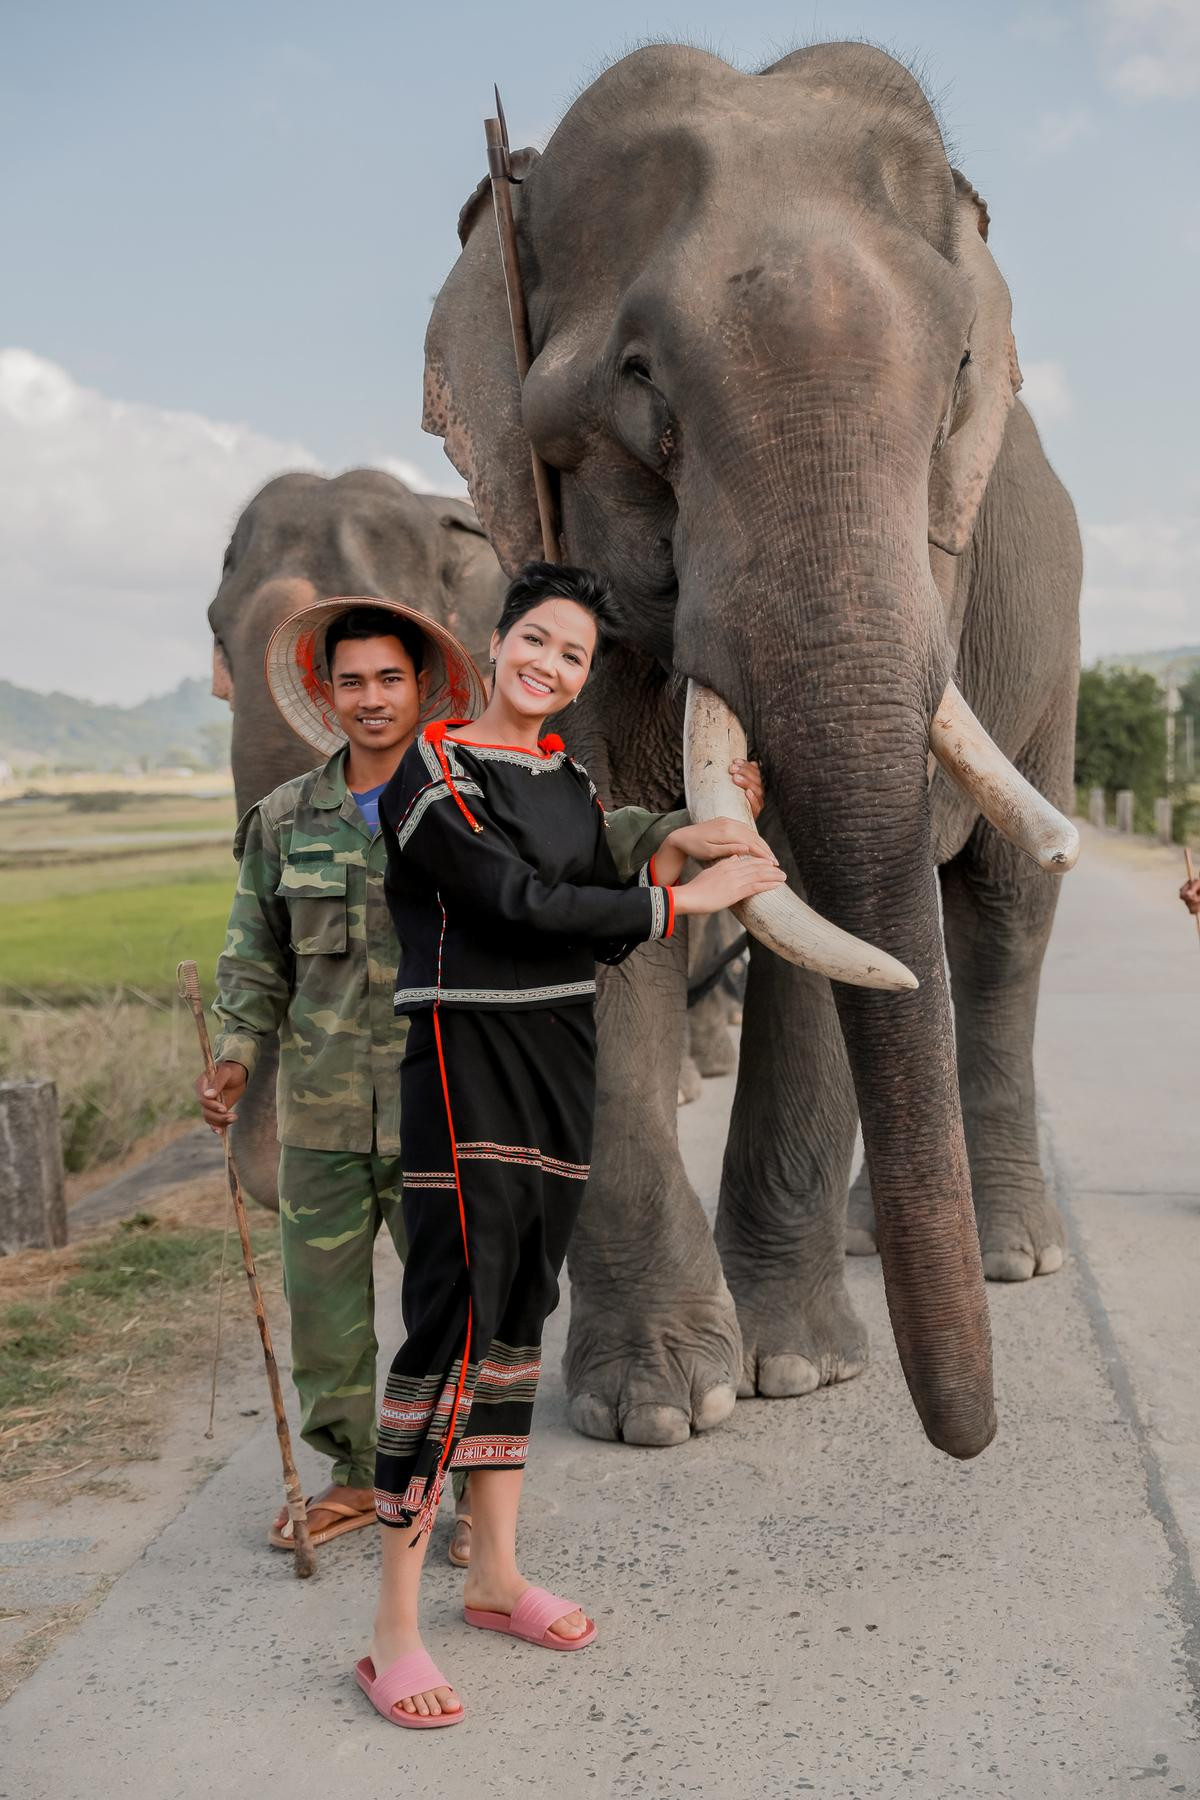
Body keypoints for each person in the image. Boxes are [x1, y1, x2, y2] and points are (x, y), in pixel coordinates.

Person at [199, 594, 767, 1564]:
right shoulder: (285, 822)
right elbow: (257, 958)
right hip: (330, 1115)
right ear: (326, 696)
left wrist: (707, 818)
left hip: (451, 1091)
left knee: (464, 1303)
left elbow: (586, 847)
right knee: (330, 1313)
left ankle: (465, 1498)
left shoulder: (478, 787)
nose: (372, 699)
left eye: (390, 679)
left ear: (422, 688)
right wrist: (235, 1055)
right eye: (352, 682)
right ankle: (354, 1480)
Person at [357, 562, 786, 1727]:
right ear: (494, 644)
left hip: (558, 1059)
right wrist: (682, 908)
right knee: (452, 1321)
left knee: (518, 1322)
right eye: (535, 642)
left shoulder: (565, 777)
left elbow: (606, 857)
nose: (549, 666)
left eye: (573, 658)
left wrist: (710, 829)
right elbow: (518, 902)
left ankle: (494, 1579)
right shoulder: (429, 773)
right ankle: (393, 1625)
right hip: (464, 1063)